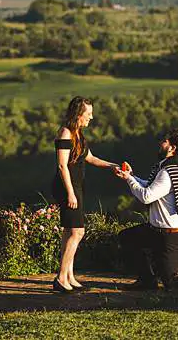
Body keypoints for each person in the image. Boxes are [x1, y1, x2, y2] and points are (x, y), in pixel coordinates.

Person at [51, 96, 117, 293]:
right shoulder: (65, 133)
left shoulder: (78, 134)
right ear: (78, 114)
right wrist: (70, 193)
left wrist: (114, 166)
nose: (91, 117)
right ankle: (61, 278)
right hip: (67, 187)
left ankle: (69, 276)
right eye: (88, 114)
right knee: (78, 232)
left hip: (76, 187)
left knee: (69, 231)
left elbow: (91, 158)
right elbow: (62, 165)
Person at [114, 128, 178, 289]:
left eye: (164, 141)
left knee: (172, 284)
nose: (160, 143)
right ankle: (146, 281)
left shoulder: (167, 172)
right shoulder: (171, 167)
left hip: (171, 237)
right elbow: (151, 187)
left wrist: (129, 179)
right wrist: (130, 175)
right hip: (159, 231)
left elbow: (146, 196)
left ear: (172, 148)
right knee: (128, 237)